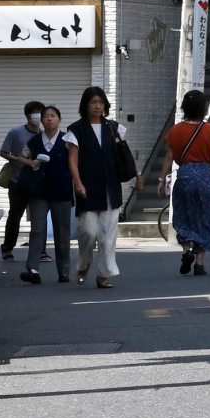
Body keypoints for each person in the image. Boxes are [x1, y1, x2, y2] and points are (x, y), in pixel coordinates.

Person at [157, 90, 210, 277]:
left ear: (184, 107)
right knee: (205, 217)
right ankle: (199, 264)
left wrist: (161, 178)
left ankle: (185, 252)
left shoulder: (175, 131)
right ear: (203, 108)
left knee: (183, 215)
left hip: (185, 176)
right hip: (206, 177)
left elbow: (169, 156)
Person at [66, 86, 128, 288]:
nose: (98, 106)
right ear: (85, 105)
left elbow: (123, 155)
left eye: (100, 102)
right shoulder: (76, 129)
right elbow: (72, 160)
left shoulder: (114, 127)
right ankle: (83, 264)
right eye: (93, 102)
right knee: (88, 232)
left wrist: (136, 174)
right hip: (88, 186)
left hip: (111, 186)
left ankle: (104, 274)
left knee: (108, 235)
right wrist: (78, 183)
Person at [15, 105, 74, 284]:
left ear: (59, 120)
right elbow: (21, 157)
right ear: (41, 120)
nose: (49, 119)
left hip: (62, 190)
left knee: (62, 233)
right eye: (46, 116)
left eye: (53, 116)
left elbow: (75, 162)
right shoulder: (34, 141)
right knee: (37, 230)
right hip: (38, 191)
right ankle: (32, 269)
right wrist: (31, 162)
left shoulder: (67, 140)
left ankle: (64, 271)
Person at [0, 102, 46, 261]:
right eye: (34, 112)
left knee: (39, 218)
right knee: (15, 215)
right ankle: (8, 247)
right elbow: (3, 152)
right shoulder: (16, 132)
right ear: (27, 115)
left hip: (38, 182)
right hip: (17, 180)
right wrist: (19, 160)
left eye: (40, 112)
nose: (37, 116)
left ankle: (41, 250)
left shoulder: (45, 134)